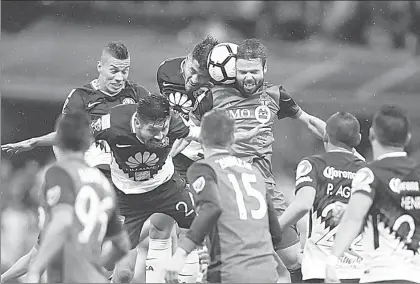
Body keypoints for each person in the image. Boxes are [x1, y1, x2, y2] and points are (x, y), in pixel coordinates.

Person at [190, 38, 329, 282]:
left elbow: (307, 120)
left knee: (295, 260)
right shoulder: (212, 97)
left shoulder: (276, 95)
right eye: (242, 72)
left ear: (264, 69)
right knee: (216, 266)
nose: (248, 77)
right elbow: (189, 131)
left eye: (254, 71)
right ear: (234, 70)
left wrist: (338, 142)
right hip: (224, 189)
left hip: (263, 189)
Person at [91, 93, 262, 283]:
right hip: (129, 199)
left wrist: (237, 137)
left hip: (169, 189)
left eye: (164, 128)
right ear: (137, 122)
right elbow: (76, 139)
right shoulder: (112, 122)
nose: (160, 135)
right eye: (153, 130)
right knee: (123, 274)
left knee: (205, 230)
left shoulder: (173, 121)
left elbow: (199, 134)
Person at [165, 109, 284, 283]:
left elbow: (211, 208)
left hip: (230, 272)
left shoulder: (203, 168)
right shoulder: (254, 172)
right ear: (232, 139)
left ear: (201, 137)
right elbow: (275, 233)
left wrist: (181, 254)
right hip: (267, 272)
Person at [1, 41, 150, 173]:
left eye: (125, 71)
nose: (119, 78)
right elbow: (66, 135)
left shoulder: (137, 94)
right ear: (100, 67)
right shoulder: (81, 97)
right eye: (114, 71)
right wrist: (34, 142)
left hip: (131, 172)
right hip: (96, 170)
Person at [25, 110, 130, 283]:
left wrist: (35, 270)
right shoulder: (102, 182)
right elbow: (122, 245)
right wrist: (94, 268)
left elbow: (63, 221)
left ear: (57, 140)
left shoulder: (60, 172)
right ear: (89, 143)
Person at [326, 105, 420, 283]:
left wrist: (332, 261)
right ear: (407, 138)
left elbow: (354, 219)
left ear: (372, 135)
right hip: (415, 276)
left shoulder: (369, 174)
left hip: (380, 275)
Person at [278, 112, 367, 283]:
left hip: (320, 269)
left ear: (326, 136)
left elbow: (303, 205)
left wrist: (274, 229)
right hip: (358, 271)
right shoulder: (367, 171)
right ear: (359, 139)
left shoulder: (312, 164)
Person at [157, 35, 219, 180]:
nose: (195, 80)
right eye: (193, 70)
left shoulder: (218, 86)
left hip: (204, 153)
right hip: (173, 149)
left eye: (203, 76)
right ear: (189, 57)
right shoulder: (166, 70)